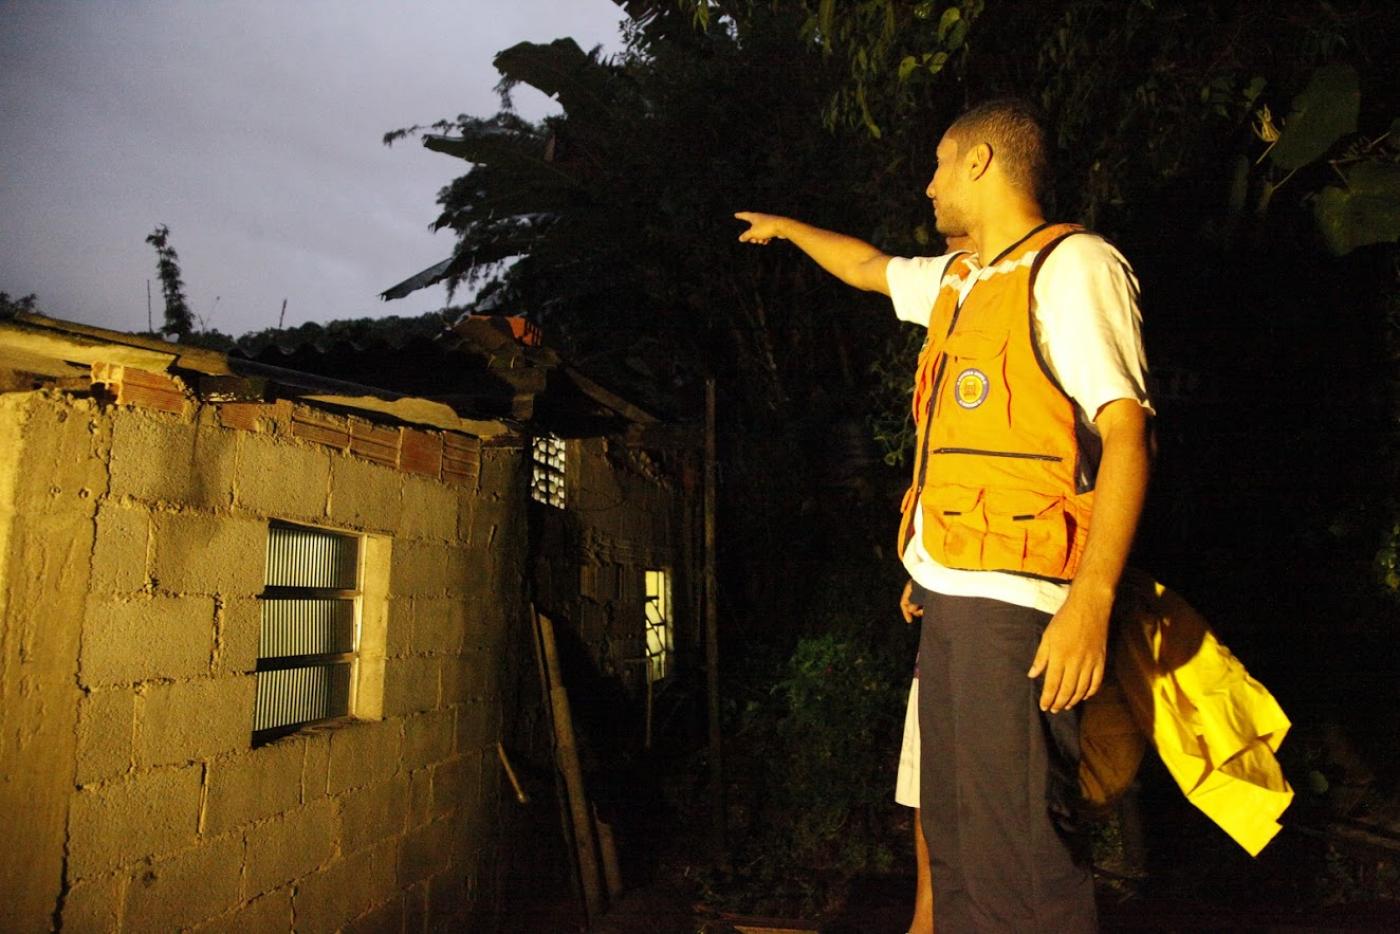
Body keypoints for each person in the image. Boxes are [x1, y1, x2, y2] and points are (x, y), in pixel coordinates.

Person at [735, 98, 1152, 931]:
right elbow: (867, 267)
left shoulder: (1072, 268)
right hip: (952, 602)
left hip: (1024, 608)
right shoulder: (961, 283)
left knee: (1020, 862)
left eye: (937, 164)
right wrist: (788, 228)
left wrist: (1092, 602)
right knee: (955, 848)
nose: (926, 185)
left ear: (981, 161)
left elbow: (1127, 434)